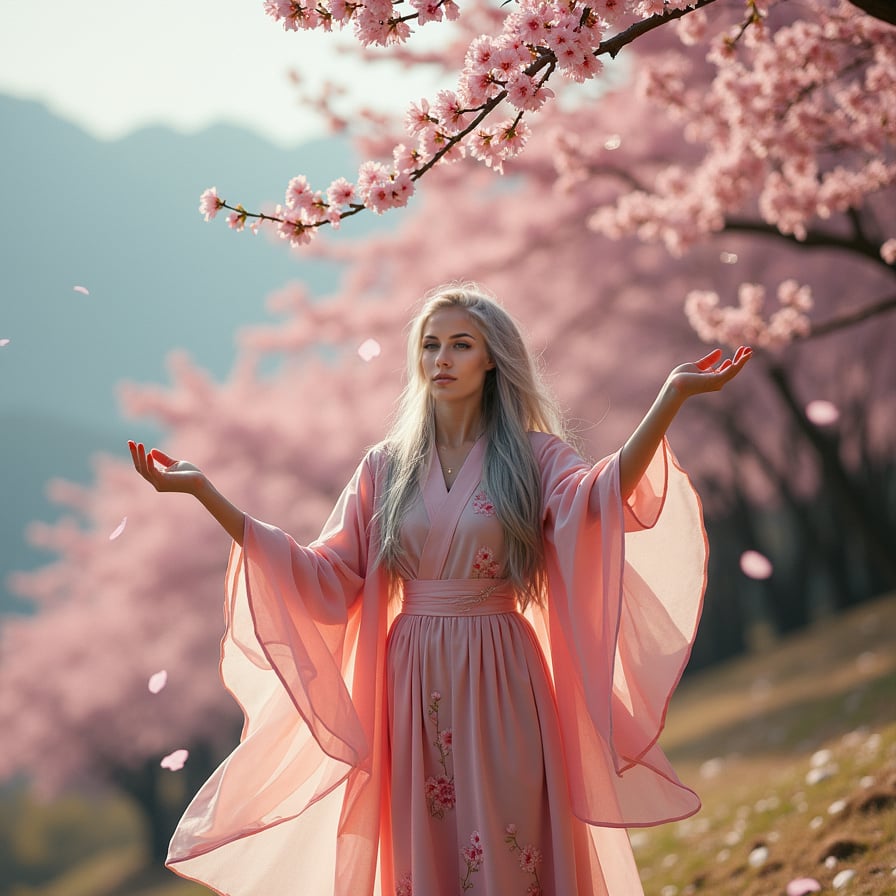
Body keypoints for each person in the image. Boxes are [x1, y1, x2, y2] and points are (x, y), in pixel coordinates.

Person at [129, 283, 751, 896]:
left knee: (511, 841)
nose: (442, 360)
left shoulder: (534, 456)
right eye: (430, 346)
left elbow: (599, 500)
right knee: (421, 850)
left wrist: (669, 399)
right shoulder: (385, 468)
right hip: (409, 681)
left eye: (460, 345)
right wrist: (207, 494)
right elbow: (324, 575)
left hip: (501, 669)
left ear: (492, 360)